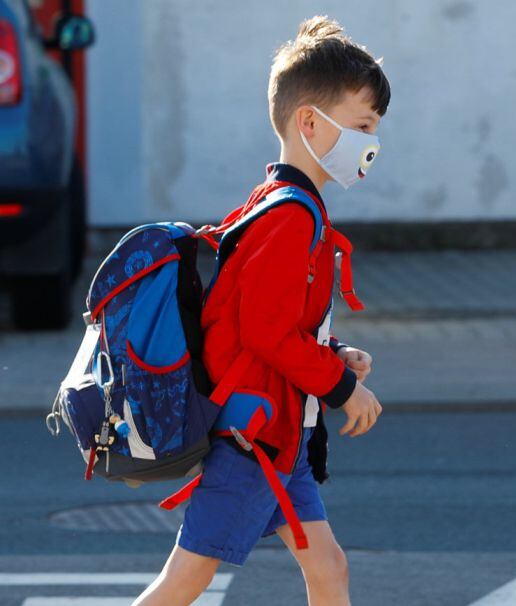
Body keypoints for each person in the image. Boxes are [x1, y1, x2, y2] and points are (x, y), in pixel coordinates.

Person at [135, 15, 390, 606]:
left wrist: (332, 354)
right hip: (255, 439)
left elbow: (273, 324)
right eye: (362, 125)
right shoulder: (290, 217)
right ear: (309, 122)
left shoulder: (279, 203)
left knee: (329, 566)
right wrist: (340, 388)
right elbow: (265, 331)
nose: (372, 142)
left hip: (280, 434)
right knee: (186, 581)